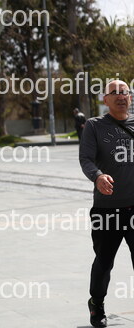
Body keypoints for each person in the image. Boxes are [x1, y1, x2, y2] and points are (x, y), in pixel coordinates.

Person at [79, 80, 134, 328]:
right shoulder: (94, 125)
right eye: (115, 93)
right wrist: (98, 176)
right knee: (104, 260)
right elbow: (86, 158)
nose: (121, 96)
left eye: (125, 92)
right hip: (107, 209)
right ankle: (97, 303)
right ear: (105, 99)